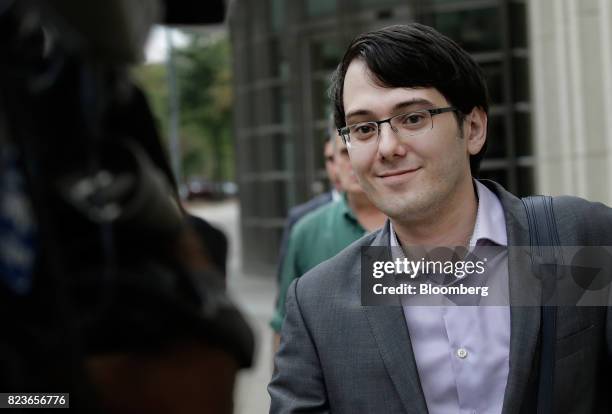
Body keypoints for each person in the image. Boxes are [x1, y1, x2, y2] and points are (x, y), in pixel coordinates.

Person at [268, 23, 612, 413]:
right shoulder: (318, 306)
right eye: (363, 128)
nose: (388, 147)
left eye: (413, 118)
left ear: (474, 128)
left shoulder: (577, 238)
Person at [269, 130, 386, 341]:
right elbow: (284, 323)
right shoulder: (306, 231)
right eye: (344, 152)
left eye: (360, 149)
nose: (353, 162)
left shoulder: (415, 225)